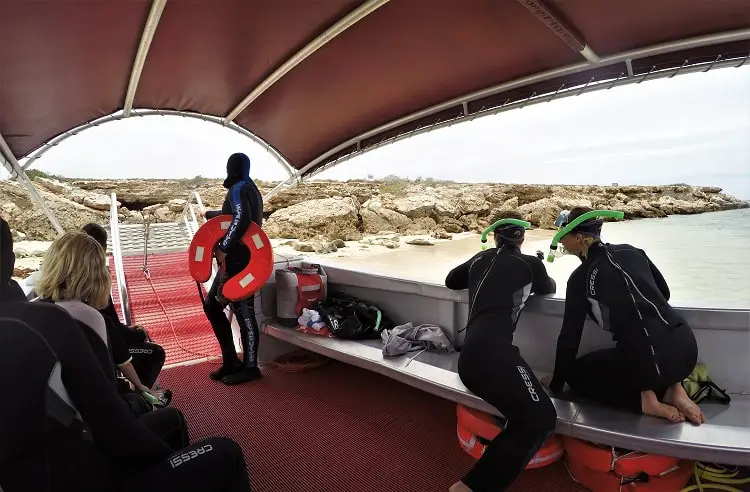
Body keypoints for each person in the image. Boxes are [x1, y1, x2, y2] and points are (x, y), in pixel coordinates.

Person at [545, 207, 705, 425]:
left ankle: (646, 402)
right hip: (686, 351)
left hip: (647, 365)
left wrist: (556, 383)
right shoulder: (632, 251)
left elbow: (569, 338)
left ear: (580, 237)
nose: (561, 241)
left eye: (564, 235)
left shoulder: (579, 279)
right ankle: (675, 390)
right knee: (648, 341)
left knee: (576, 374)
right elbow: (664, 294)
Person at [445, 211, 558, 492]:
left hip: (470, 359)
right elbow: (549, 288)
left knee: (525, 411)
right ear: (522, 236)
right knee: (541, 419)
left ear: (494, 236)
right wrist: (538, 267)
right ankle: (469, 488)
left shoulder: (478, 260)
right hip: (493, 357)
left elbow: (451, 280)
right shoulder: (530, 264)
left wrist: (480, 264)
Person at [34, 231, 164, 404]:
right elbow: (109, 385)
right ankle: (149, 401)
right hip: (93, 413)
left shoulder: (34, 308)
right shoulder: (91, 319)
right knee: (172, 417)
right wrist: (140, 388)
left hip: (53, 407)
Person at [202, 152, 264, 385]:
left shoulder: (238, 189)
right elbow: (232, 215)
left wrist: (224, 247)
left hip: (240, 261)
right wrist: (209, 214)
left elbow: (242, 218)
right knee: (212, 305)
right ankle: (230, 360)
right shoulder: (250, 188)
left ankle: (250, 367)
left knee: (243, 312)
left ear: (231, 168)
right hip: (239, 261)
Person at [82, 222, 167, 389]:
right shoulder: (95, 282)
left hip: (88, 349)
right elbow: (111, 329)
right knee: (155, 352)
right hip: (103, 350)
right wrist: (138, 334)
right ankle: (144, 396)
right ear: (103, 249)